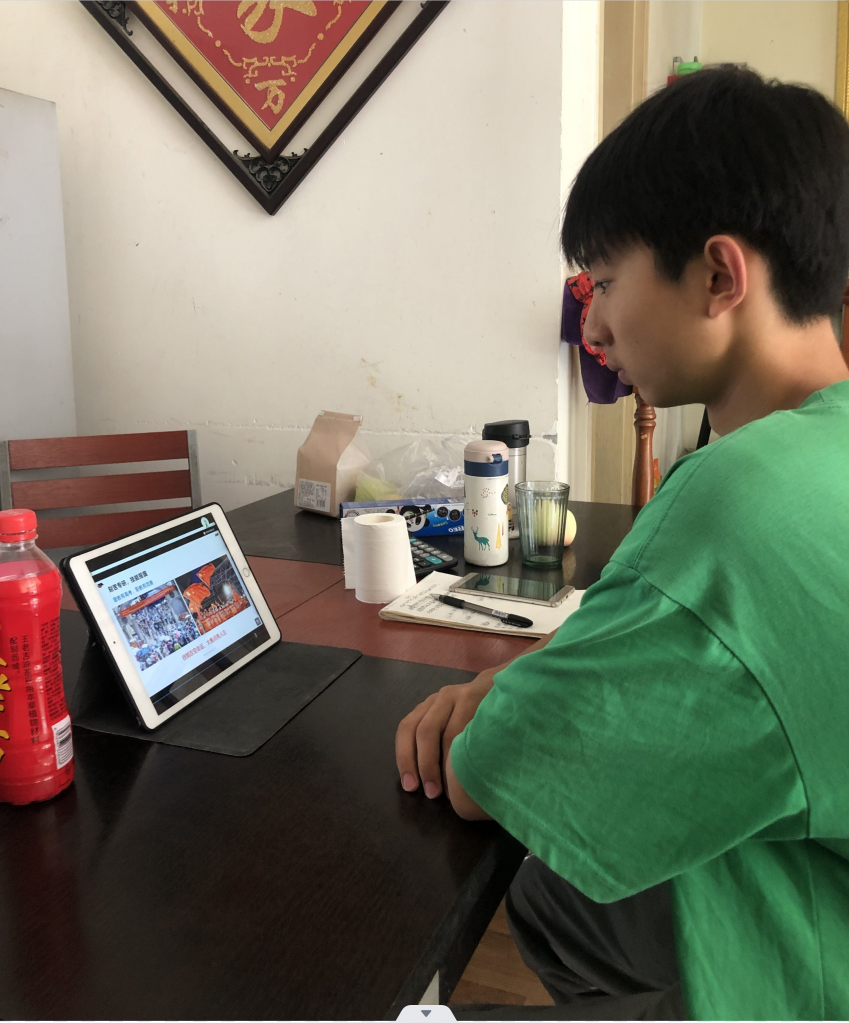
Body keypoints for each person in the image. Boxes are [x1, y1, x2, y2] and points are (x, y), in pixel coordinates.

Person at [395, 66, 849, 1021]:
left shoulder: (736, 497)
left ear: (719, 275)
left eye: (604, 282)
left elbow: (483, 775)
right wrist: (535, 685)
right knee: (561, 893)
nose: (593, 324)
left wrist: (500, 703)